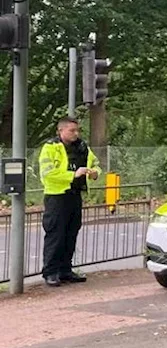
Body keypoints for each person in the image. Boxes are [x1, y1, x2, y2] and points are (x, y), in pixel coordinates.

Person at [38, 117, 99, 287]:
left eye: (77, 130)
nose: (76, 133)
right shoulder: (50, 148)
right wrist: (73, 175)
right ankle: (50, 272)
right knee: (55, 234)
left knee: (71, 232)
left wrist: (95, 172)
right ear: (61, 131)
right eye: (72, 130)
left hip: (74, 194)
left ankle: (65, 270)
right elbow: (47, 173)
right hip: (56, 196)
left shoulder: (82, 146)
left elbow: (95, 163)